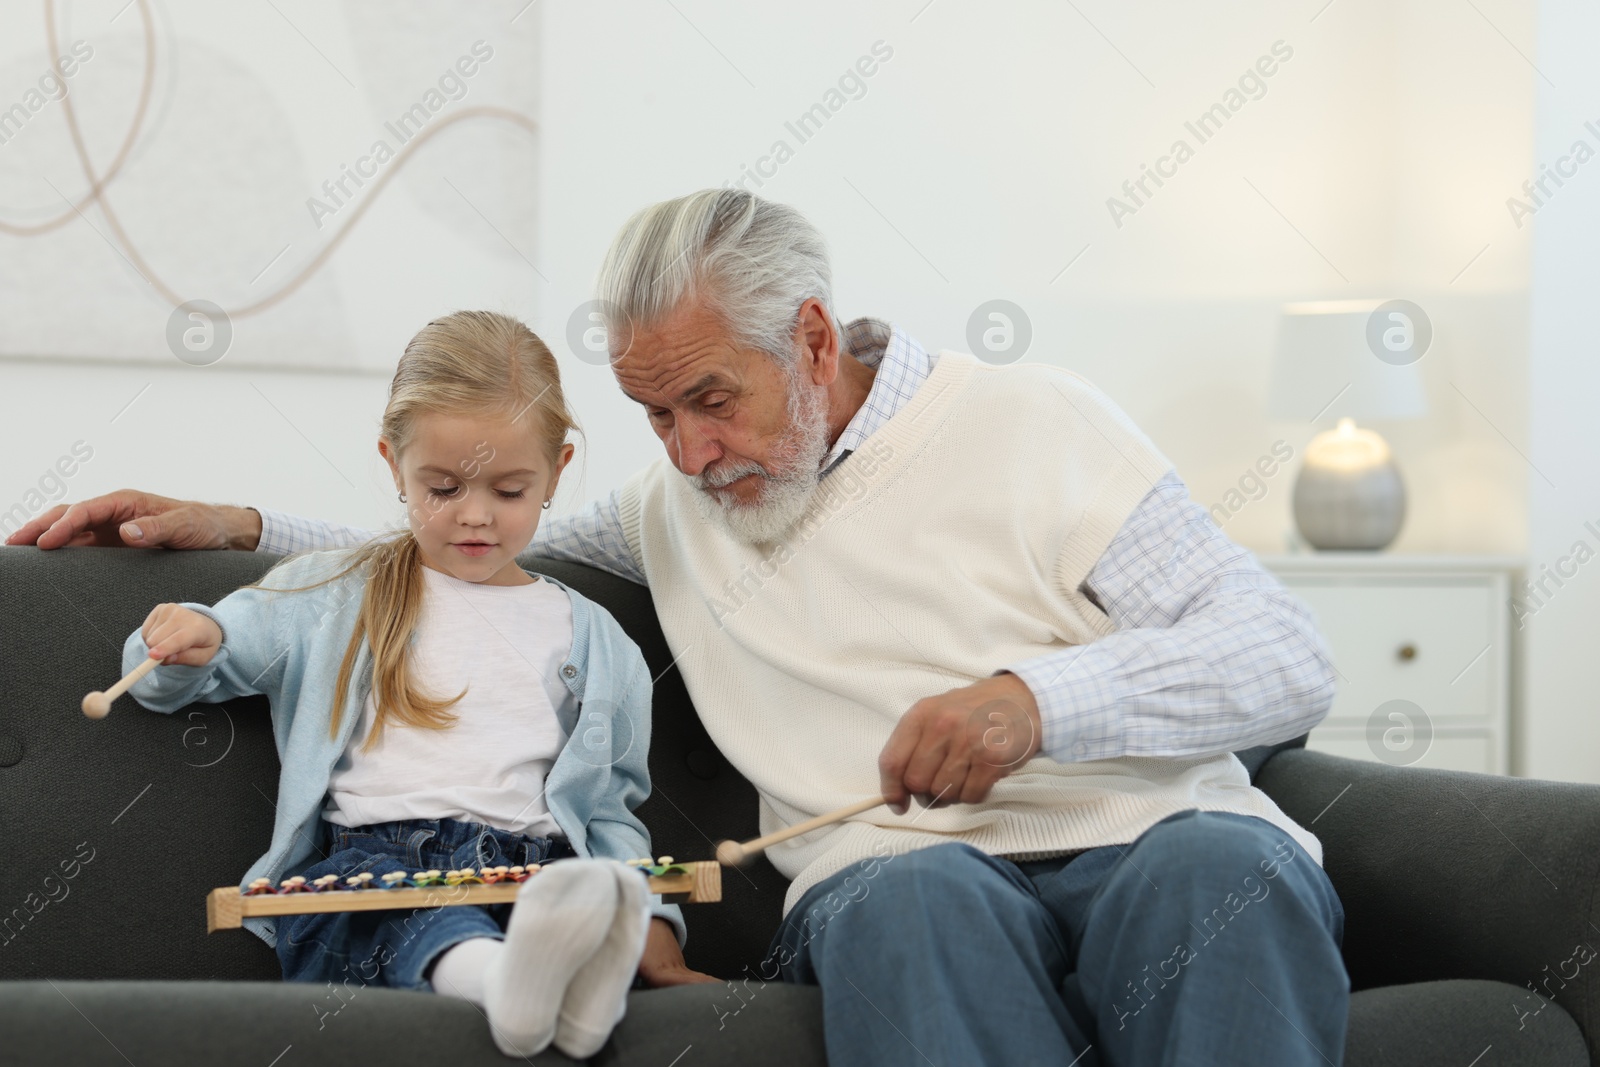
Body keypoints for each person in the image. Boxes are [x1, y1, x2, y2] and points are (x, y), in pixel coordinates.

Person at [16, 190, 1347, 1065]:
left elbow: (1287, 656)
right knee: (914, 900)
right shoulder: (677, 503)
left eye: (714, 399)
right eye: (656, 416)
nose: (695, 451)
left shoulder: (1041, 419)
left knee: (1217, 871)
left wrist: (1034, 703)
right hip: (898, 876)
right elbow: (469, 533)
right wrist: (237, 517)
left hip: (1151, 829)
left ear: (813, 339)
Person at [115, 310, 712, 1060]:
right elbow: (191, 668)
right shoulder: (334, 592)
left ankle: (569, 976)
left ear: (557, 471)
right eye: (443, 486)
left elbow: (613, 817)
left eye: (508, 489)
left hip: (538, 870)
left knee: (580, 893)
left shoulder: (599, 643)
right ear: (394, 465)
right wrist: (180, 638)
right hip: (378, 869)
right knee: (385, 921)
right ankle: (511, 984)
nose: (474, 514)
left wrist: (652, 928)